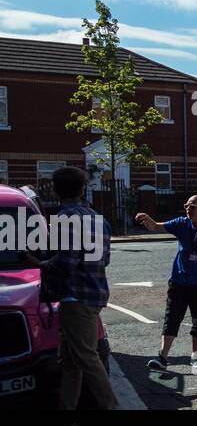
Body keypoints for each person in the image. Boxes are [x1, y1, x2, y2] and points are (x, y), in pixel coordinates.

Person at [28, 166, 118, 409]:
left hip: (74, 297)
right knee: (71, 362)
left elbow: (66, 262)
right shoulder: (98, 219)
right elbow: (104, 259)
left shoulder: (65, 218)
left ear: (57, 191)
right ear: (82, 189)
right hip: (94, 293)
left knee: (87, 358)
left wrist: (40, 263)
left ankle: (112, 406)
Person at [135, 195, 197, 374]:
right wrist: (148, 220)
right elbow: (156, 227)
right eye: (186, 205)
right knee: (172, 318)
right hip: (179, 282)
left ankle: (196, 357)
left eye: (192, 205)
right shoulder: (182, 223)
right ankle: (162, 358)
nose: (188, 208)